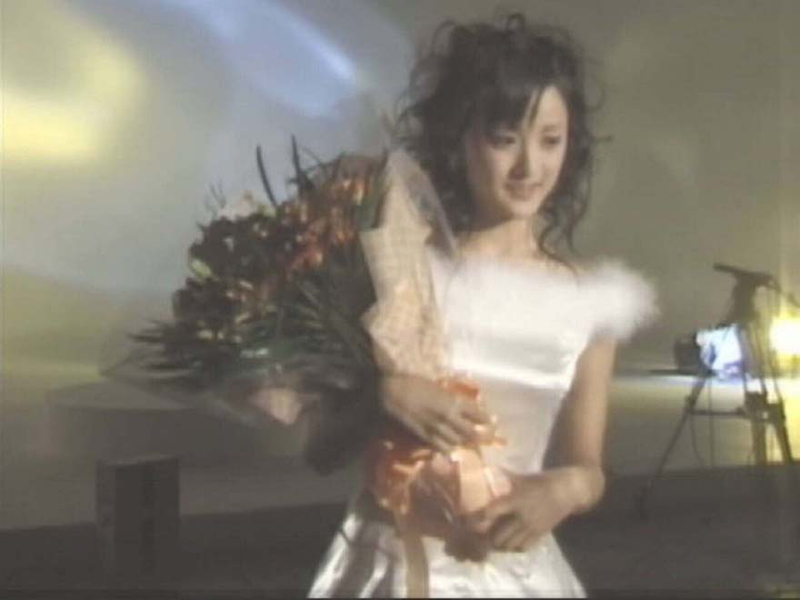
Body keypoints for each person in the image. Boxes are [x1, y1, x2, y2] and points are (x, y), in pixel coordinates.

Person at [306, 13, 656, 597]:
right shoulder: (401, 270)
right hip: (393, 565)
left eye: (550, 140)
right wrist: (383, 396)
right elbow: (321, 451)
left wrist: (565, 489)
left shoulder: (591, 301)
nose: (529, 168)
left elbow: (588, 467)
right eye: (504, 139)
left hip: (515, 572)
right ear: (459, 138)